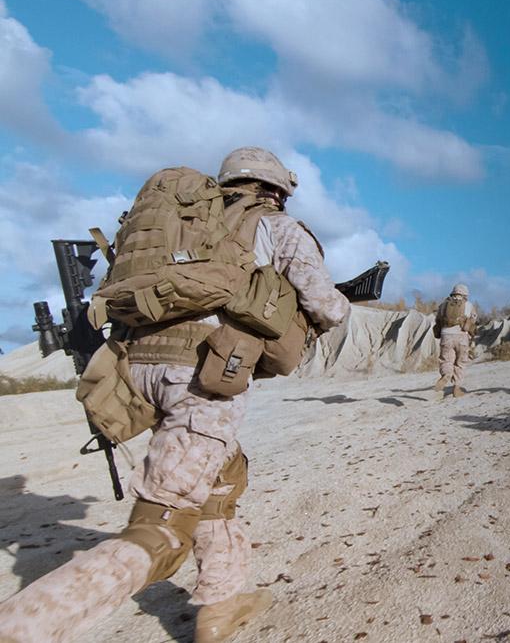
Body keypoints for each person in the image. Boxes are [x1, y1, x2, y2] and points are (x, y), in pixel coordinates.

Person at [0, 147, 351, 643]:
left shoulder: (183, 224)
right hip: (203, 376)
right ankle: (22, 626)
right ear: (275, 190)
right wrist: (341, 305)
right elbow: (325, 304)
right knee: (162, 528)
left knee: (221, 477)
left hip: (135, 367)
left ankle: (221, 604)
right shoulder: (273, 225)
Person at [432, 283, 478, 398]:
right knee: (460, 363)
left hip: (446, 335)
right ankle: (457, 388)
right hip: (461, 336)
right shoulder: (469, 305)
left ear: (453, 293)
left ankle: (445, 375)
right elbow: (473, 320)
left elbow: (438, 320)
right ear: (465, 294)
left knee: (446, 360)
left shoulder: (443, 305)